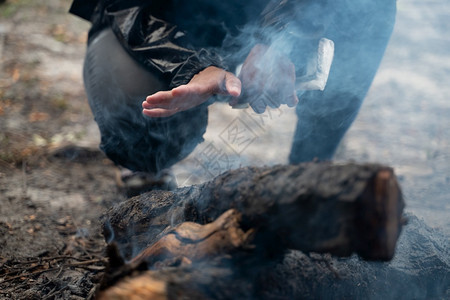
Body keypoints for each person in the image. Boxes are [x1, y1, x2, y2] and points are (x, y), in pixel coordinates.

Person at [70, 0, 396, 194]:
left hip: (266, 21)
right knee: (140, 126)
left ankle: (310, 171)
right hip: (174, 30)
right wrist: (192, 67)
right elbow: (121, 5)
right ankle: (148, 165)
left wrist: (284, 37)